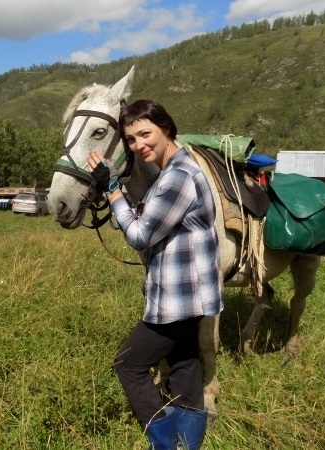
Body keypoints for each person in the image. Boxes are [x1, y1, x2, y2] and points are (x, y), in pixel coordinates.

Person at [87, 99, 223, 450]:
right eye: (131, 139)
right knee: (185, 365)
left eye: (145, 134)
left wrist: (112, 190)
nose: (138, 145)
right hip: (193, 295)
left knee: (128, 365)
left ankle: (164, 443)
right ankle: (186, 443)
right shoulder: (182, 169)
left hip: (177, 299)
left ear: (166, 128)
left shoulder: (177, 177)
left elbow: (140, 236)